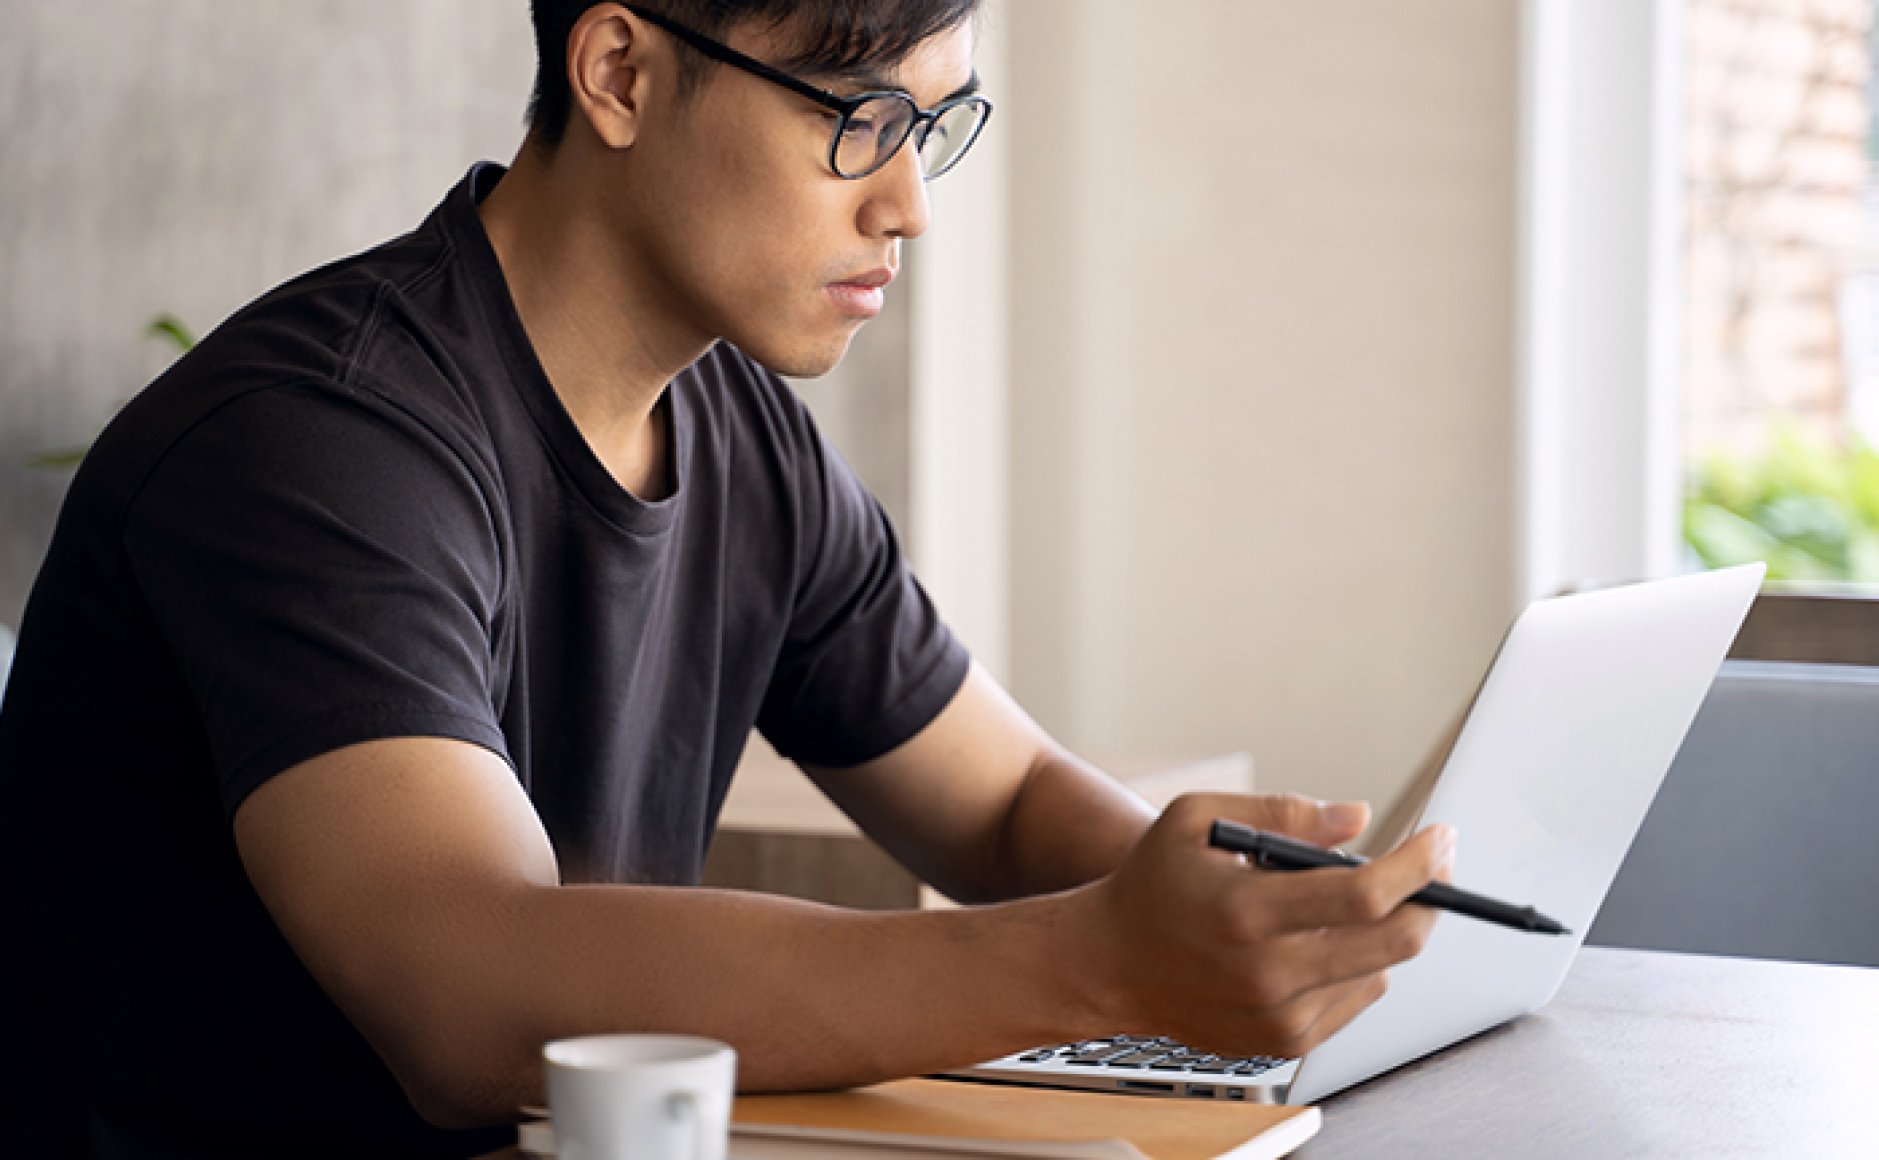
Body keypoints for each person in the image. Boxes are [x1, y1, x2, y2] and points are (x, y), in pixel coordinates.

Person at [0, 2, 1454, 1156]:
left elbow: (1003, 802)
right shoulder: (313, 444)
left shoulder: (741, 434)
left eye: (932, 126)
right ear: (622, 73)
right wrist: (1099, 962)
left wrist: (1271, 926)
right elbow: (476, 998)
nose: (908, 205)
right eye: (860, 119)